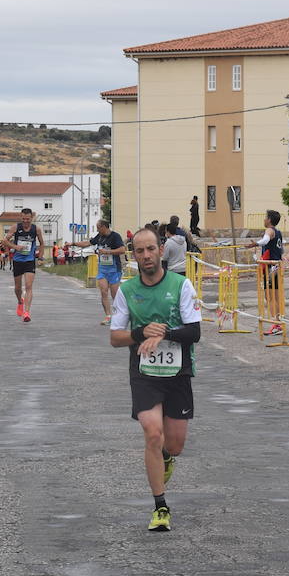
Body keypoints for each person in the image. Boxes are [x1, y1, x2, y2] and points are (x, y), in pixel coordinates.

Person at [108, 226, 203, 533]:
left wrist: (163, 333)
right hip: (144, 373)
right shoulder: (127, 291)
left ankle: (166, 457)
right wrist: (139, 333)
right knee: (152, 432)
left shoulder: (181, 285)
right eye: (139, 251)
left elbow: (195, 332)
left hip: (177, 373)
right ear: (133, 256)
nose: (146, 256)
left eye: (151, 249)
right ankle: (160, 507)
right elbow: (115, 338)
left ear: (161, 250)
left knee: (173, 445)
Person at [252, 210, 285, 337]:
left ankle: (276, 323)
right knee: (275, 297)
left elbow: (265, 240)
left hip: (271, 267)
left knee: (270, 297)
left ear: (270, 220)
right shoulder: (278, 233)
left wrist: (255, 243)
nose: (264, 220)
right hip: (277, 266)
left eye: (265, 217)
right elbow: (280, 249)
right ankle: (278, 322)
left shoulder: (270, 231)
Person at [91, 219, 127, 325]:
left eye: (98, 227)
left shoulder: (115, 236)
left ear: (104, 227)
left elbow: (122, 250)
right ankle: (108, 316)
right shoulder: (99, 237)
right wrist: (73, 243)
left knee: (115, 294)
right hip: (102, 269)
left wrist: (108, 252)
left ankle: (119, 315)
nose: (97, 230)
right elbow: (88, 243)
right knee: (103, 292)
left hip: (114, 269)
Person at [7, 208, 40, 323]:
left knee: (28, 286)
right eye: (24, 219)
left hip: (29, 260)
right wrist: (15, 247)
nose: (26, 221)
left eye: (28, 219)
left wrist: (40, 256)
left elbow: (42, 242)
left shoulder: (36, 229)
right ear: (21, 218)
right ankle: (20, 302)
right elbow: (5, 241)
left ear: (32, 218)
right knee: (17, 288)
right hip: (17, 260)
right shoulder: (15, 227)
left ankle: (27, 312)